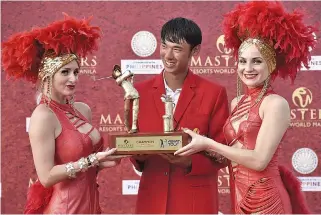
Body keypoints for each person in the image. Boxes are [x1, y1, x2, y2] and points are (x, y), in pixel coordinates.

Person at [175, 1, 317, 214]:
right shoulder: (237, 102)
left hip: (268, 201)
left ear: (271, 65)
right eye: (242, 61)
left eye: (256, 61)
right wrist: (192, 142)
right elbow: (231, 154)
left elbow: (259, 160)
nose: (247, 68)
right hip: (240, 198)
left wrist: (208, 143)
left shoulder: (276, 104)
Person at [2, 14, 121, 214]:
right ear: (48, 75)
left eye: (76, 72)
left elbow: (87, 168)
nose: (73, 78)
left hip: (91, 207)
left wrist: (110, 159)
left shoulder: (83, 110)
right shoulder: (43, 116)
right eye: (65, 72)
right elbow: (47, 176)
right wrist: (92, 160)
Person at [130, 17, 230, 214]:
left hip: (195, 200)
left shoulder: (213, 93)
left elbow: (224, 153)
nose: (168, 55)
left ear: (195, 51)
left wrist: (190, 162)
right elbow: (135, 150)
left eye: (177, 49)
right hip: (152, 200)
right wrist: (137, 155)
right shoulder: (138, 92)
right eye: (164, 46)